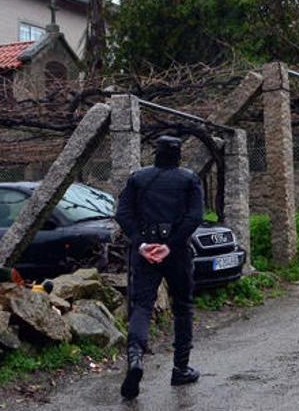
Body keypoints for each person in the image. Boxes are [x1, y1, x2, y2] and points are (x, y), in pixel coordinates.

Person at [115, 135, 204, 400]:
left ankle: (135, 359)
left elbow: (123, 214)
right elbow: (195, 217)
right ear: (178, 156)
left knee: (141, 306)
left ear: (156, 154)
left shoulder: (137, 178)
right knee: (183, 307)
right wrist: (171, 245)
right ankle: (180, 368)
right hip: (176, 253)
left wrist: (142, 244)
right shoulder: (189, 179)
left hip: (144, 253)